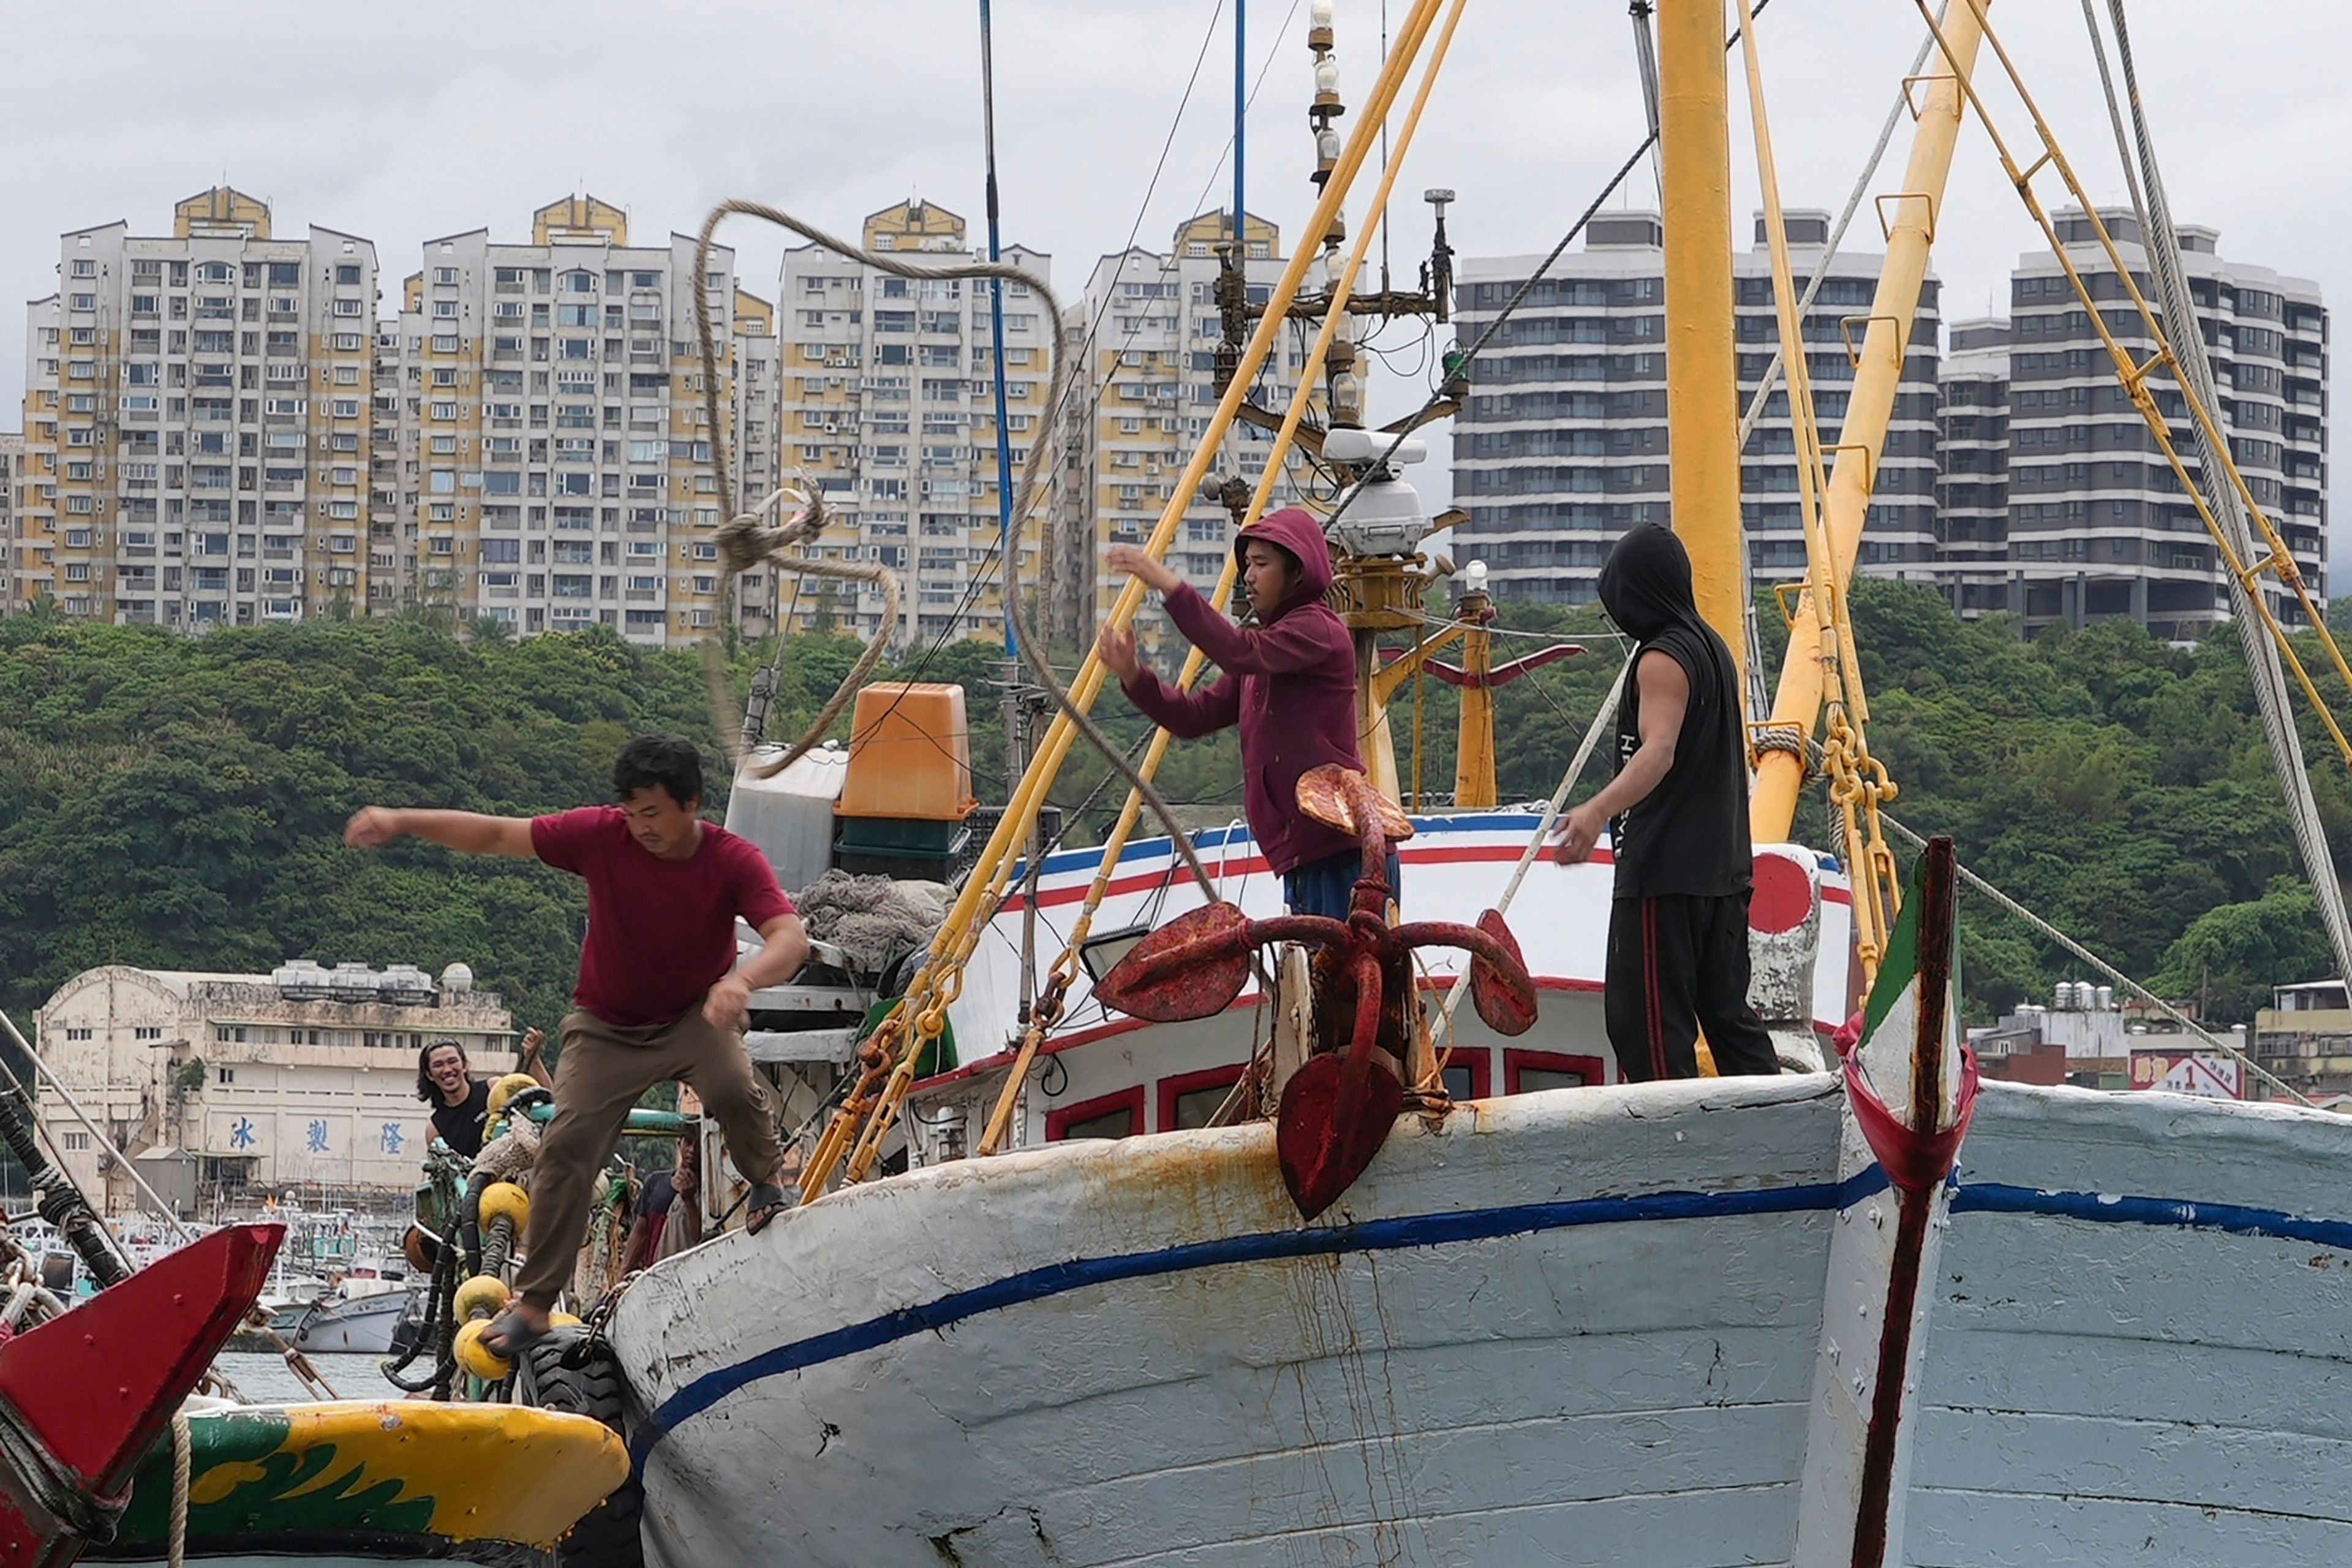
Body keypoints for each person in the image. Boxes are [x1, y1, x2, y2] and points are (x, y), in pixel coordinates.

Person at [345, 734, 810, 1359]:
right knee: (565, 1146)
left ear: (691, 803)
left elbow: (790, 938)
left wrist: (741, 980)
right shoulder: (600, 835)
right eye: (631, 811)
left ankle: (766, 1184)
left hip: (696, 1014)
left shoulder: (732, 860)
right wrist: (401, 820)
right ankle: (534, 1304)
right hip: (607, 1027)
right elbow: (495, 835)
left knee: (732, 1088)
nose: (639, 826)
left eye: (653, 813)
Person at [1553, 525, 1779, 1083]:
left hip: (1666, 874)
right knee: (1729, 1017)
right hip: (1723, 872)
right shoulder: (1713, 649)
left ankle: (1669, 1152)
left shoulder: (1661, 659)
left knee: (1647, 1028)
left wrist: (1596, 809)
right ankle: (1783, 1127)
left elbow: (1658, 752)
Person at [1095, 507, 1394, 919]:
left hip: (1340, 849)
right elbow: (1192, 718)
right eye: (1247, 565)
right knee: (1314, 975)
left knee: (1342, 974)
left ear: (1298, 573)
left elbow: (1238, 652)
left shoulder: (1318, 631)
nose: (1249, 576)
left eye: (1261, 564)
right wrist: (1132, 674)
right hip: (1305, 852)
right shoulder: (1265, 655)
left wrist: (1164, 582)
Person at [417, 1029, 551, 1161]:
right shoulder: (435, 1129)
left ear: (465, 1065)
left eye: (452, 1062)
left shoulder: (494, 1088)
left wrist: (533, 1058)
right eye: (438, 1065)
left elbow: (550, 1101)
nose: (447, 1070)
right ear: (430, 1075)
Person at [617, 1138, 703, 1273]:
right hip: (655, 1276)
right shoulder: (655, 1183)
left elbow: (701, 1239)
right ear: (679, 1143)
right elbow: (640, 1233)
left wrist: (689, 1200)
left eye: (699, 1145)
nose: (692, 1150)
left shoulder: (710, 1194)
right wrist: (623, 1273)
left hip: (691, 1276)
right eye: (689, 1142)